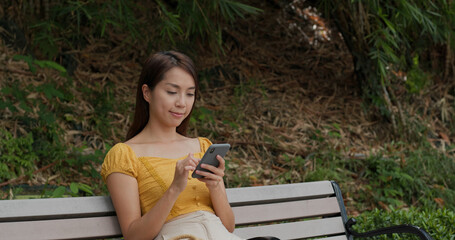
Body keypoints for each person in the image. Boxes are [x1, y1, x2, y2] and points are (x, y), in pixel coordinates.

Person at [100, 51, 244, 240]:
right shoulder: (124, 155)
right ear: (147, 93)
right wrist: (175, 188)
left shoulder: (201, 146)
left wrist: (215, 185)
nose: (182, 103)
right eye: (172, 92)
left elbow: (228, 227)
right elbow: (133, 236)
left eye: (190, 94)